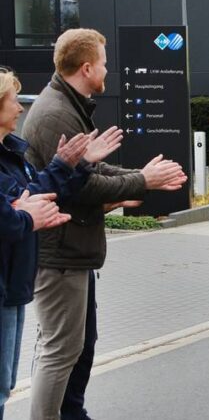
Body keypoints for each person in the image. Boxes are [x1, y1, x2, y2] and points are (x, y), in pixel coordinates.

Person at [20, 28, 188, 420]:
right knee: (60, 350)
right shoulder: (56, 113)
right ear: (87, 67)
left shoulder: (67, 105)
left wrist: (137, 178)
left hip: (71, 251)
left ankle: (72, 413)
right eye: (105, 63)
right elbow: (81, 187)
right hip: (60, 252)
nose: (108, 70)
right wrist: (143, 180)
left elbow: (90, 170)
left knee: (77, 346)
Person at [0, 67, 124, 418]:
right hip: (27, 270)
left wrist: (76, 163)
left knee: (8, 381)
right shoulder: (53, 114)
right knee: (54, 353)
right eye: (12, 100)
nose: (20, 108)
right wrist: (24, 216)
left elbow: (39, 191)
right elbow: (15, 210)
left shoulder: (11, 153)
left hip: (15, 281)